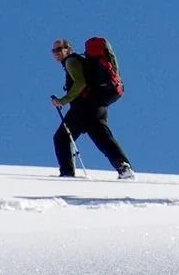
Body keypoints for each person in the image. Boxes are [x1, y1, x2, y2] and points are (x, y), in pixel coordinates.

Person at [50, 38, 135, 179]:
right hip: (98, 105)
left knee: (62, 138)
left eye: (59, 49)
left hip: (84, 107)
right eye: (54, 50)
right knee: (103, 138)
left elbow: (80, 84)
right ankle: (124, 167)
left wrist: (62, 101)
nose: (56, 53)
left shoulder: (71, 61)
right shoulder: (81, 62)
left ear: (69, 49)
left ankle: (67, 174)